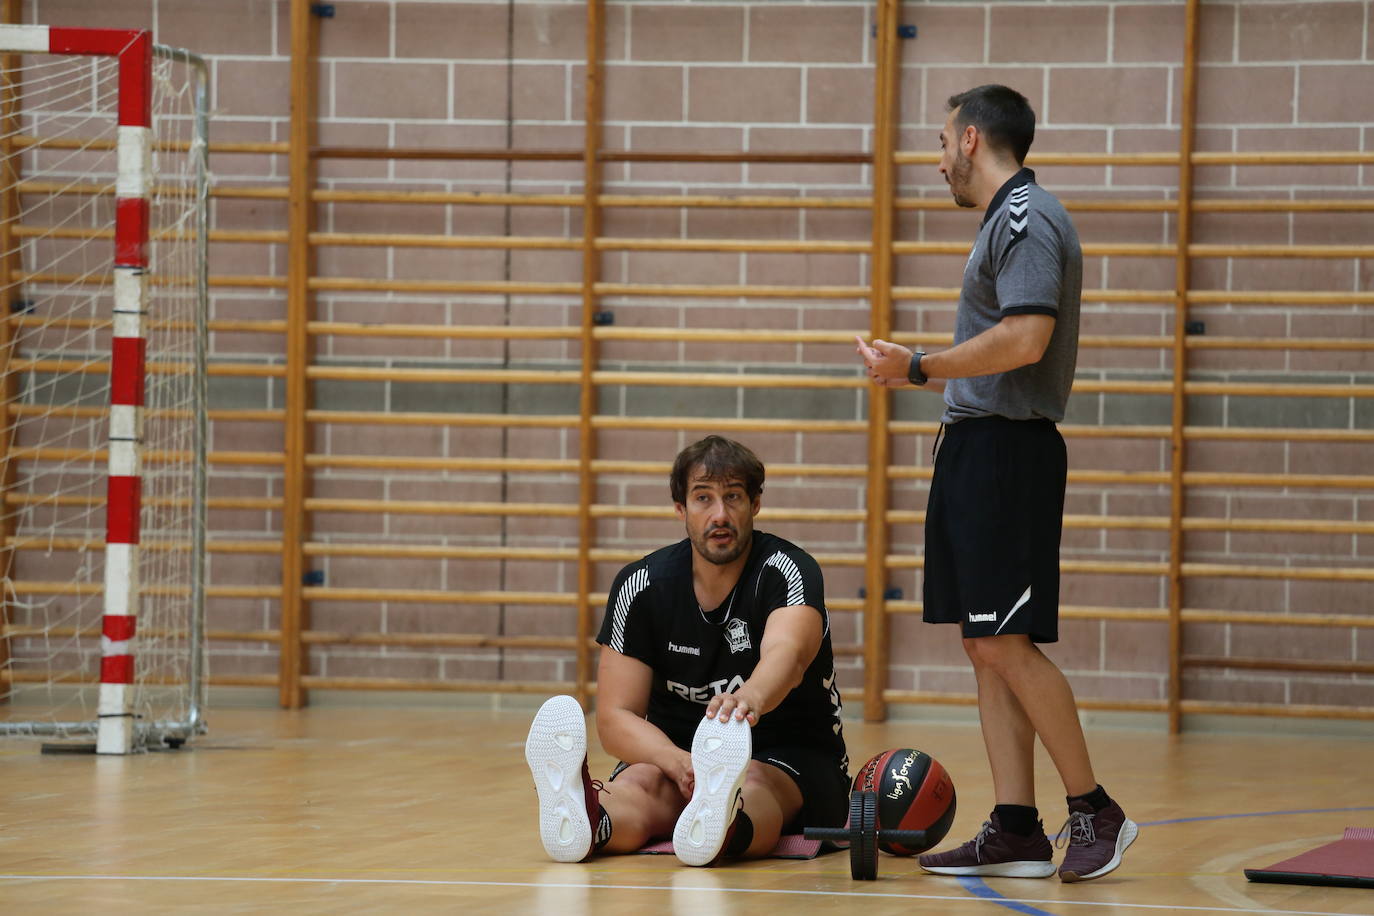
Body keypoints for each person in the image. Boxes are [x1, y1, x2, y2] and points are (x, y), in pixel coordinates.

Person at [856, 84, 1136, 882]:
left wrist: (918, 367)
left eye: (943, 142)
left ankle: (1095, 810)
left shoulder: (1025, 218)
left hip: (1009, 456)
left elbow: (1025, 336)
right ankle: (1016, 827)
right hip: (977, 450)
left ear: (973, 139)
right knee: (986, 645)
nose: (938, 158)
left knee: (1007, 643)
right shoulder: (1003, 223)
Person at [524, 436, 850, 867]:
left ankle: (726, 822)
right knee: (641, 782)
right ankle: (589, 820)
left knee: (752, 780)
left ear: (755, 504)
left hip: (788, 750)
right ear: (681, 509)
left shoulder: (787, 571)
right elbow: (615, 718)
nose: (720, 514)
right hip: (676, 749)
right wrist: (677, 762)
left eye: (733, 497)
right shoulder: (641, 586)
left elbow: (786, 658)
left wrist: (746, 701)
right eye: (703, 498)